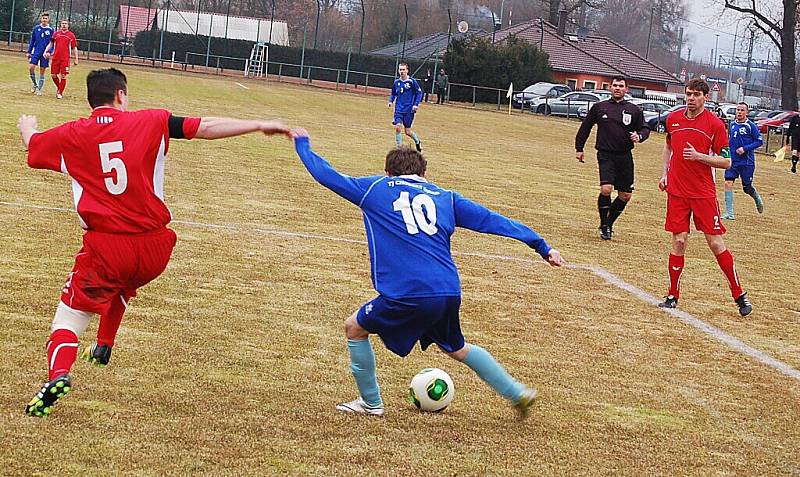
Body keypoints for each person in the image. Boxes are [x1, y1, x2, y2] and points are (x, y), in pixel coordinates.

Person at [18, 68, 290, 417]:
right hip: (155, 249)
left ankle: (58, 375)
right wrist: (257, 124)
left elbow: (34, 146)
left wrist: (29, 128)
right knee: (124, 283)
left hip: (109, 247)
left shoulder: (73, 134)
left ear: (92, 100)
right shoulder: (151, 120)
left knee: (68, 320)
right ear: (121, 95)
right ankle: (104, 344)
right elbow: (204, 127)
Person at [291, 130, 565, 419]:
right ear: (424, 173)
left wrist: (303, 144)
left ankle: (370, 403)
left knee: (354, 328)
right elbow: (492, 220)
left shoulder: (375, 188)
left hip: (409, 292)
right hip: (447, 291)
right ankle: (516, 393)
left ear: (387, 172)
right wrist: (540, 245)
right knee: (457, 348)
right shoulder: (446, 197)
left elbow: (326, 174)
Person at [657, 78, 752, 317]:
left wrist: (700, 156)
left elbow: (726, 161)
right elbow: (669, 147)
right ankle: (672, 295)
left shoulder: (715, 125)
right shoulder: (674, 119)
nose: (691, 98)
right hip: (677, 192)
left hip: (703, 194)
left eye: (696, 95)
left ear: (705, 98)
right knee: (679, 241)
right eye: (688, 94)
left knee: (715, 243)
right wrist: (665, 174)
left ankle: (739, 294)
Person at [574, 76, 649, 240]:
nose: (617, 88)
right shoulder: (600, 107)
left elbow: (644, 128)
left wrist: (640, 136)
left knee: (625, 196)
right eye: (615, 85)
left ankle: (608, 223)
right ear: (610, 88)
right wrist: (579, 148)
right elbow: (585, 127)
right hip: (605, 154)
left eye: (621, 86)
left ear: (626, 89)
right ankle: (604, 225)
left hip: (625, 156)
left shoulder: (634, 110)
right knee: (606, 189)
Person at [722, 102, 764, 219]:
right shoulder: (733, 125)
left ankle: (756, 196)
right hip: (733, 161)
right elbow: (730, 141)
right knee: (727, 183)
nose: (739, 112)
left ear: (746, 112)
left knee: (746, 188)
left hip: (746, 162)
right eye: (738, 110)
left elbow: (759, 141)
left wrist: (745, 149)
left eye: (742, 110)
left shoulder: (750, 126)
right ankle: (729, 213)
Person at [388, 63, 423, 151]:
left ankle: (417, 142)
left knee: (407, 131)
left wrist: (415, 104)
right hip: (398, 109)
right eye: (400, 70)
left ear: (407, 71)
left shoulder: (412, 81)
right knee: (398, 127)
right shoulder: (396, 82)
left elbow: (419, 93)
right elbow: (393, 93)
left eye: (404, 70)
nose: (402, 72)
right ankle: (399, 148)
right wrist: (390, 101)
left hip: (409, 110)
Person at [44, 19, 78, 99]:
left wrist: (76, 59)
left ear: (68, 25)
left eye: (65, 23)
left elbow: (74, 47)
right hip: (56, 58)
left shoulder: (71, 35)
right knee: (53, 75)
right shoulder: (56, 34)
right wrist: (46, 51)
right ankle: (60, 88)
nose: (64, 25)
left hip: (65, 59)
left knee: (63, 76)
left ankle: (60, 92)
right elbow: (51, 44)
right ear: (60, 24)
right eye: (62, 23)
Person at [27, 12, 54, 95]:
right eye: (43, 18)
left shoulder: (51, 30)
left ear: (48, 20)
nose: (44, 20)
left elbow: (52, 43)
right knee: (31, 67)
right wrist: (29, 51)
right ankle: (35, 84)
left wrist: (49, 52)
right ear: (41, 19)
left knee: (42, 71)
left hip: (45, 53)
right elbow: (32, 40)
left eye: (46, 18)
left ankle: (39, 89)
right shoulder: (36, 28)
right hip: (36, 51)